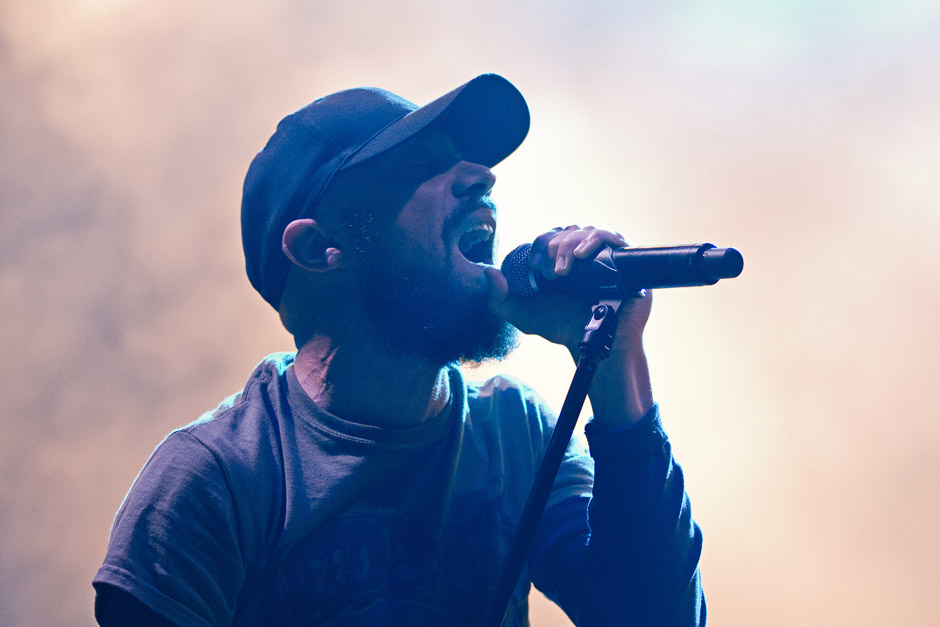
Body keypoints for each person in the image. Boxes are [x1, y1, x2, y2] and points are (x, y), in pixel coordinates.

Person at [93, 73, 706, 626]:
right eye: (419, 162)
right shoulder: (214, 482)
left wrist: (613, 362)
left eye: (467, 161)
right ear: (317, 248)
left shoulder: (511, 433)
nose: (481, 176)